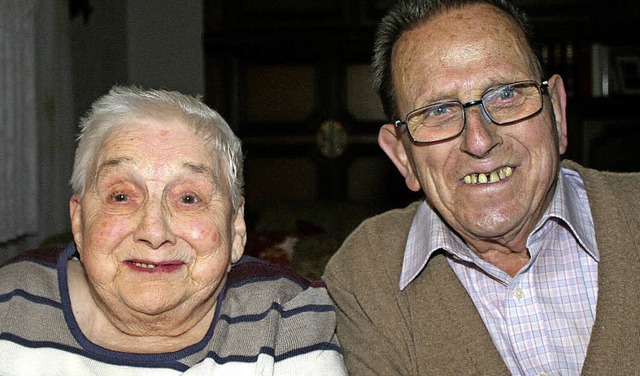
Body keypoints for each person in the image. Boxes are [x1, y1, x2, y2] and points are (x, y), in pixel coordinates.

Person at [323, 0, 640, 374]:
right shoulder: (366, 276)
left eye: (506, 94)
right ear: (402, 156)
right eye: (438, 111)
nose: (479, 140)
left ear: (556, 111)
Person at [0, 86, 347, 375]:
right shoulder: (10, 305)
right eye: (121, 196)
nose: (154, 231)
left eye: (189, 198)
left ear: (236, 227)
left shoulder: (288, 322)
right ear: (78, 220)